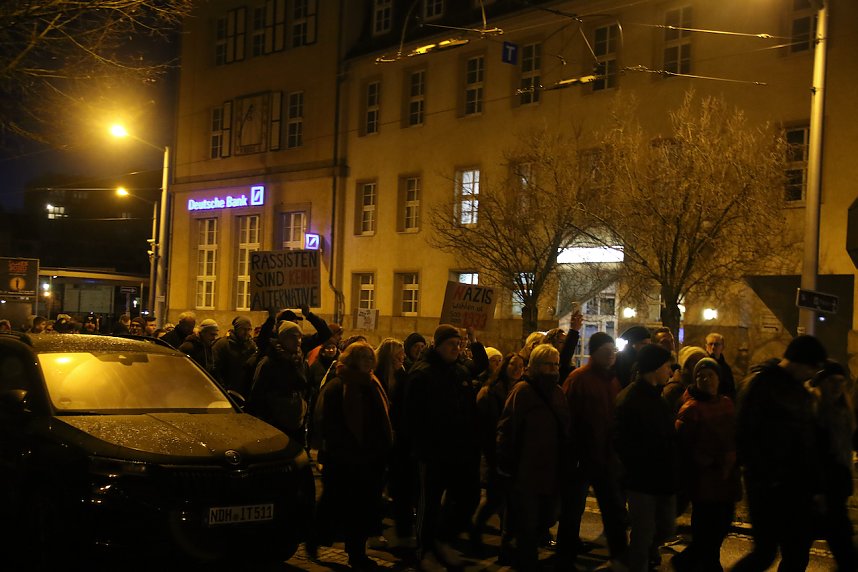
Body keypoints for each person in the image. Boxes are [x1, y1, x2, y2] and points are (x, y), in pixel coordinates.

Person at [733, 335, 828, 572]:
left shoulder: (799, 392)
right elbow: (744, 434)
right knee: (765, 552)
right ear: (800, 362)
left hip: (796, 487)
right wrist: (765, 475)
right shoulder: (760, 385)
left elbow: (808, 442)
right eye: (812, 368)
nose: (812, 375)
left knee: (796, 552)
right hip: (768, 486)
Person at [311, 341, 392, 570]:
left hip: (370, 459)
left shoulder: (373, 383)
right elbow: (328, 423)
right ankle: (316, 537)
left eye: (370, 357)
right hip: (345, 459)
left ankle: (356, 553)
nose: (368, 361)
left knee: (363, 508)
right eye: (362, 357)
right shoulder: (338, 386)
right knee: (335, 504)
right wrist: (343, 451)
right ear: (352, 359)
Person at [405, 324, 480, 570]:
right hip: (433, 452)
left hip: (460, 451)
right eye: (451, 344)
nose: (456, 349)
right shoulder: (422, 373)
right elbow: (411, 417)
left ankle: (443, 538)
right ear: (437, 345)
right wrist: (422, 448)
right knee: (430, 504)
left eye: (459, 345)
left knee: (468, 497)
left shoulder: (459, 371)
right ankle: (425, 550)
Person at [497, 344, 572, 571]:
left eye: (556, 364)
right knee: (527, 527)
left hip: (551, 471)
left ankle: (515, 551)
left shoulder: (558, 392)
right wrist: (506, 464)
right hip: (526, 472)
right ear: (536, 366)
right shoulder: (522, 392)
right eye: (548, 364)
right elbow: (506, 429)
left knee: (546, 519)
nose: (553, 369)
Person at [559, 332, 628, 569]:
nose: (611, 356)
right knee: (572, 510)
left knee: (614, 510)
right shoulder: (578, 379)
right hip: (581, 457)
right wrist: (573, 453)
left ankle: (619, 557)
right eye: (606, 351)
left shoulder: (612, 380)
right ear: (594, 352)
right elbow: (566, 418)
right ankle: (565, 559)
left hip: (605, 457)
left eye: (613, 351)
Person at [671, 357, 741, 572]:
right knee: (706, 533)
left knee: (719, 530)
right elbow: (680, 445)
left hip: (727, 480)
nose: (705, 380)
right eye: (700, 376)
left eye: (710, 375)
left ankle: (686, 562)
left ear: (718, 379)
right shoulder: (691, 409)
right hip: (704, 482)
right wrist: (703, 460)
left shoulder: (727, 403)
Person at [614, 343, 678, 572]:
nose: (670, 373)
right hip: (642, 481)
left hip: (662, 479)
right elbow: (622, 443)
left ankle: (631, 560)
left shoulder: (657, 398)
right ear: (654, 368)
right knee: (643, 534)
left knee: (666, 528)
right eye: (667, 367)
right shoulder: (630, 400)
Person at [807, 360, 857, 571]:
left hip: (835, 493)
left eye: (840, 382)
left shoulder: (844, 415)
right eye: (832, 381)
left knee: (847, 556)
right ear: (822, 383)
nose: (837, 386)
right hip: (815, 495)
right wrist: (817, 491)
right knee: (794, 555)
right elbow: (810, 455)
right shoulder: (812, 414)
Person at [473, 353, 525, 555]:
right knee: (495, 500)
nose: (517, 369)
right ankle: (477, 533)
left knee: (509, 502)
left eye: (521, 366)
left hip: (512, 455)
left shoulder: (521, 391)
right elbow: (485, 427)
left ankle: (507, 544)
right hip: (495, 454)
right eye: (513, 364)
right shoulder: (491, 392)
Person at [374, 338, 416, 542]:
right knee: (375, 486)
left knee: (400, 486)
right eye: (397, 356)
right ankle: (372, 530)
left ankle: (404, 531)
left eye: (402, 356)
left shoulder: (403, 375)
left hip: (398, 439)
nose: (402, 359)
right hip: (380, 438)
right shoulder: (377, 378)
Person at [246, 320, 311, 447]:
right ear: (282, 339)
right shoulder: (269, 362)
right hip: (274, 424)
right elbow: (257, 394)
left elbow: (305, 389)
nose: (297, 341)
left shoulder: (300, 362)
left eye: (299, 337)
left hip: (296, 422)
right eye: (293, 337)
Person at [212, 316, 258, 398]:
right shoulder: (222, 344)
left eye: (249, 329)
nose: (246, 332)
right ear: (237, 329)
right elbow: (215, 368)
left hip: (245, 392)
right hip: (227, 392)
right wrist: (223, 388)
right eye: (243, 329)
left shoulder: (251, 346)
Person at [705, 332, 737, 400]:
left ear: (722, 347)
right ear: (706, 347)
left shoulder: (726, 368)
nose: (713, 347)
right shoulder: (703, 366)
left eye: (716, 344)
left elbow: (730, 390)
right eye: (710, 344)